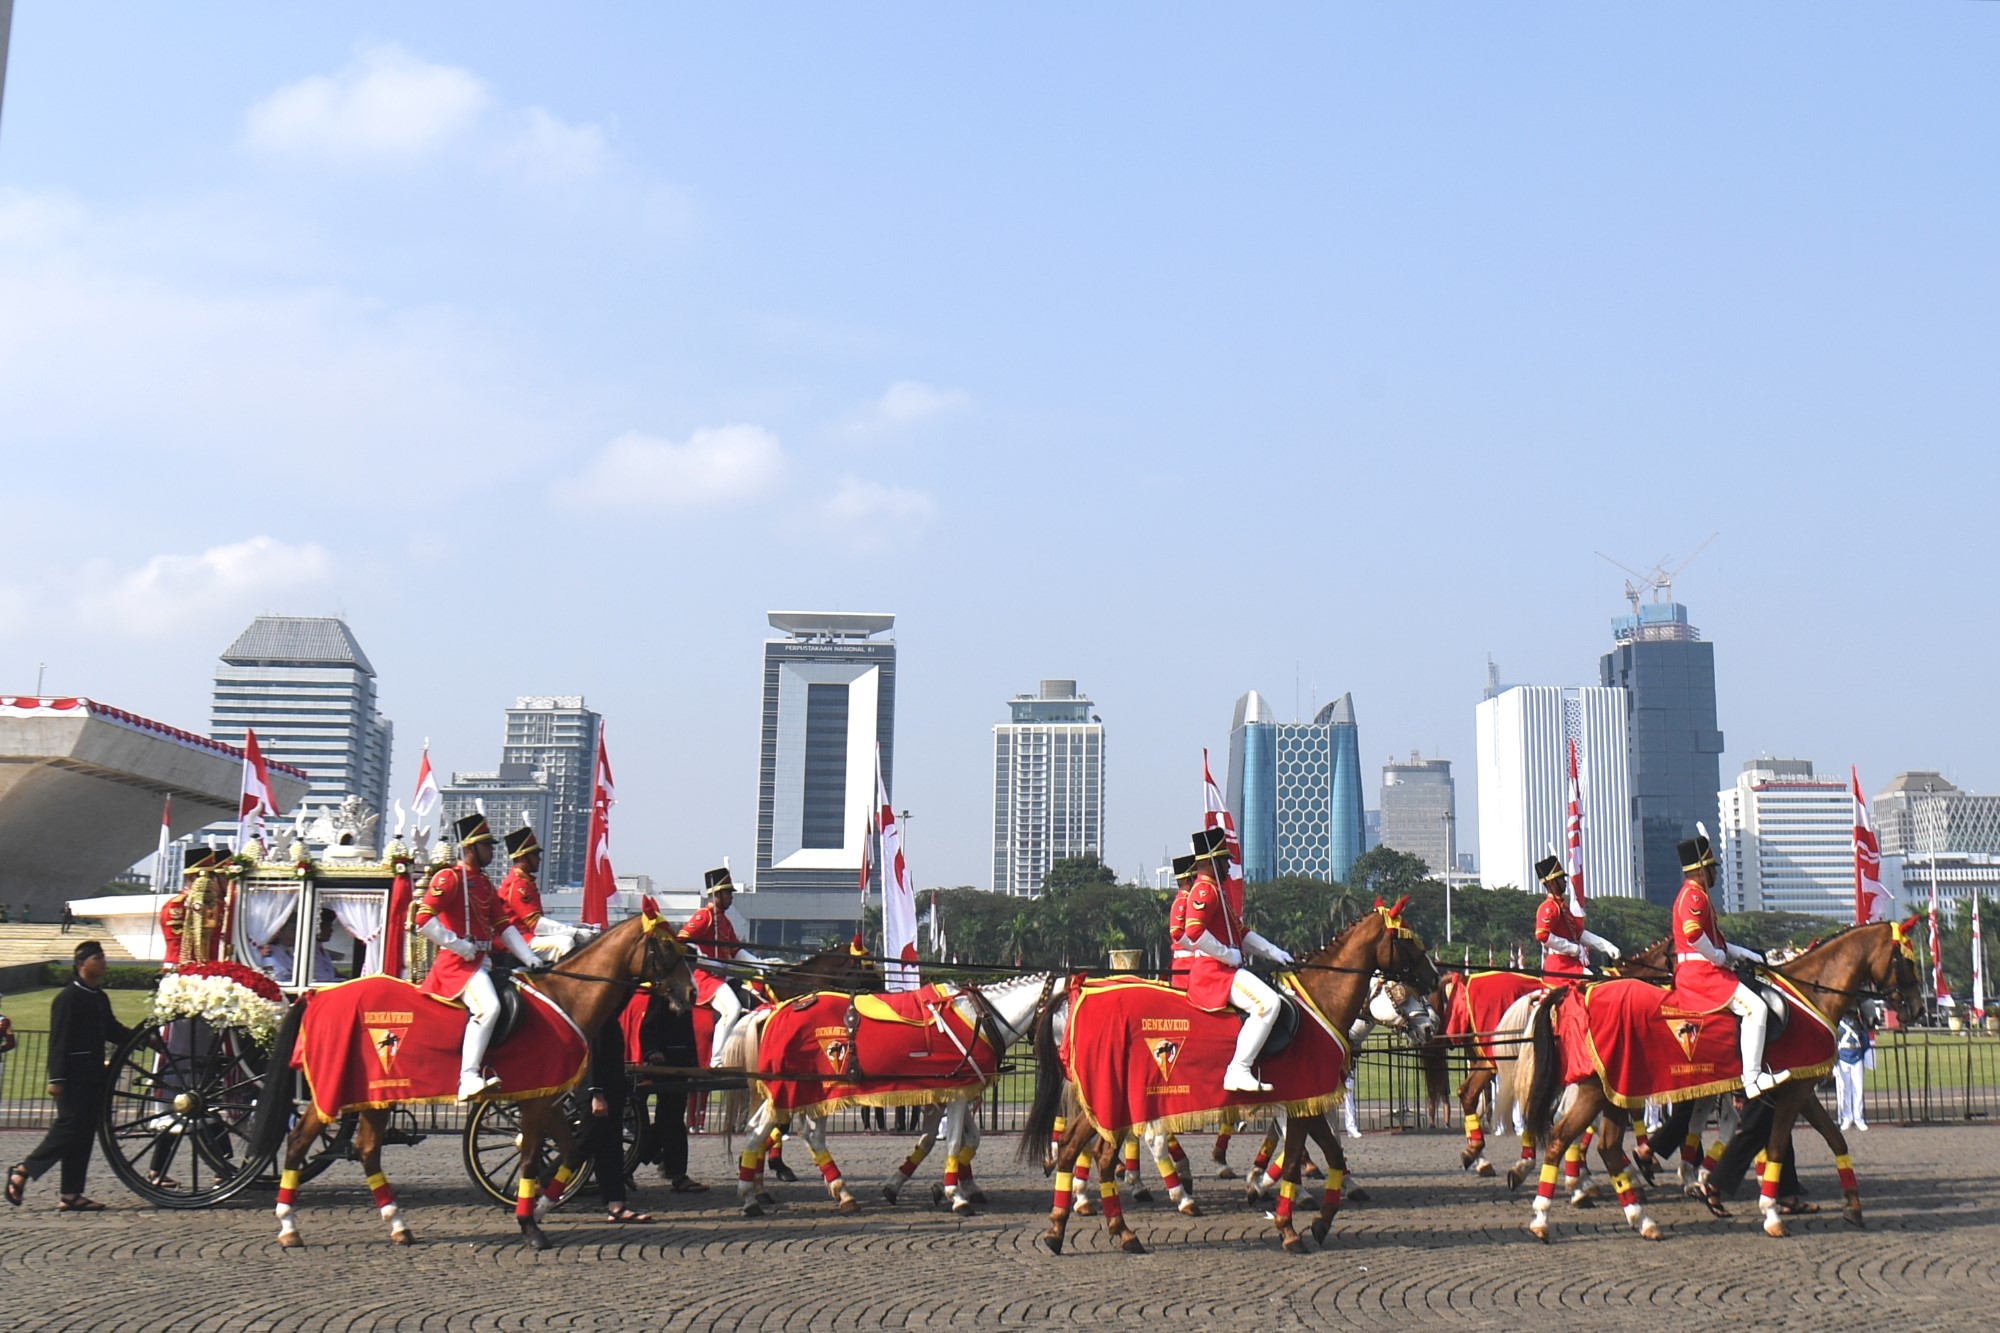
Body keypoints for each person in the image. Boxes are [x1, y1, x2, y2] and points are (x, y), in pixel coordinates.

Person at [414, 813, 543, 1100]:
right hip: (458, 965)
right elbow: (423, 920)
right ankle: (468, 1077)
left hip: (484, 962)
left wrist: (530, 957)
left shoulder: (483, 882)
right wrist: (458, 944)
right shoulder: (449, 878)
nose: (492, 851)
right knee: (489, 1008)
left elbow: (505, 927)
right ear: (470, 847)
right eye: (487, 846)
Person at [7, 941, 135, 1210]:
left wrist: (141, 1040)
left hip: (94, 1075)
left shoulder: (98, 996)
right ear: (81, 964)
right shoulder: (68, 998)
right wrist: (57, 1079)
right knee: (69, 1127)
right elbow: (59, 1040)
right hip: (73, 1076)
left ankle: (71, 1192)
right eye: (98, 958)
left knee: (83, 1133)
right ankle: (23, 1170)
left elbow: (112, 1029)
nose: (103, 962)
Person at [1670, 830, 1787, 1098]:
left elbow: (1716, 941)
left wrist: (1745, 953)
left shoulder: (1699, 895)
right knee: (1756, 1008)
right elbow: (1693, 934)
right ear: (1700, 870)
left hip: (1705, 968)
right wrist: (1717, 958)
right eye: (1712, 869)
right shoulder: (1694, 897)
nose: (1716, 874)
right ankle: (1752, 1078)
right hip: (1701, 974)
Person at [1181, 827, 1295, 1093]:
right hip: (1216, 972)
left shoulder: (1218, 891)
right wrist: (1226, 954)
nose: (1228, 866)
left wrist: (1273, 952)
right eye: (1223, 860)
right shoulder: (1204, 891)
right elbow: (1193, 931)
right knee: (1268, 1004)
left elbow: (1241, 933)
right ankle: (1239, 1069)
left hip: (1227, 968)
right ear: (1209, 861)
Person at [679, 867, 768, 1068]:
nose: (731, 898)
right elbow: (683, 941)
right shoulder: (704, 916)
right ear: (717, 894)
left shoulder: (725, 921)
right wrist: (706, 960)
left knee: (755, 999)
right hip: (706, 977)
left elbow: (736, 951)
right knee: (732, 1009)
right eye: (728, 893)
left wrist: (761, 965)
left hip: (723, 976)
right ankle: (717, 1060)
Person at [636, 987, 707, 1193]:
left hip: (680, 1064)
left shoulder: (683, 996)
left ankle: (634, 1161)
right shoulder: (662, 995)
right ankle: (677, 1174)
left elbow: (687, 1035)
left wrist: (693, 1063)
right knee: (672, 1121)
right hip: (666, 1063)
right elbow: (648, 1028)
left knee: (668, 1121)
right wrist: (653, 1052)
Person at [586, 1008, 650, 1223]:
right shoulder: (599, 1017)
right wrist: (596, 1093)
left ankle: (616, 1204)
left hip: (612, 1091)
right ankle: (545, 1188)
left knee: (610, 1147)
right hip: (599, 1094)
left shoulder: (608, 1016)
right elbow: (594, 1057)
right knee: (583, 1146)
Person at [495, 825, 589, 958]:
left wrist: (575, 927)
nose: (539, 859)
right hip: (519, 941)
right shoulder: (517, 884)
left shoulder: (525, 881)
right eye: (534, 855)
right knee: (564, 943)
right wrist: (574, 932)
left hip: (528, 937)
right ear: (522, 857)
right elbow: (537, 924)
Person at [1532, 853, 1621, 983]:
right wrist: (1571, 948)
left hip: (1572, 963)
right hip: (1559, 966)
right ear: (1552, 882)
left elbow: (1579, 934)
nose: (1565, 881)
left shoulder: (1562, 906)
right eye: (1561, 879)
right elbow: (1542, 935)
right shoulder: (1549, 907)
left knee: (1606, 977)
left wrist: (1607, 946)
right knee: (1595, 982)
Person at [1165, 854, 1198, 990]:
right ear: (1186, 880)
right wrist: (1200, 947)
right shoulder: (1182, 901)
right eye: (1195, 878)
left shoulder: (1189, 899)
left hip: (1192, 962)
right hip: (1185, 964)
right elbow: (1177, 932)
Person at [1836, 1014, 1871, 1132]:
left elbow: (1865, 1041)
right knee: (1844, 1089)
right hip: (1842, 1057)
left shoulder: (1859, 1022)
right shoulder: (1838, 1023)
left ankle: (1858, 1117)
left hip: (1857, 1057)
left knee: (1858, 1089)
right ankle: (1847, 1117)